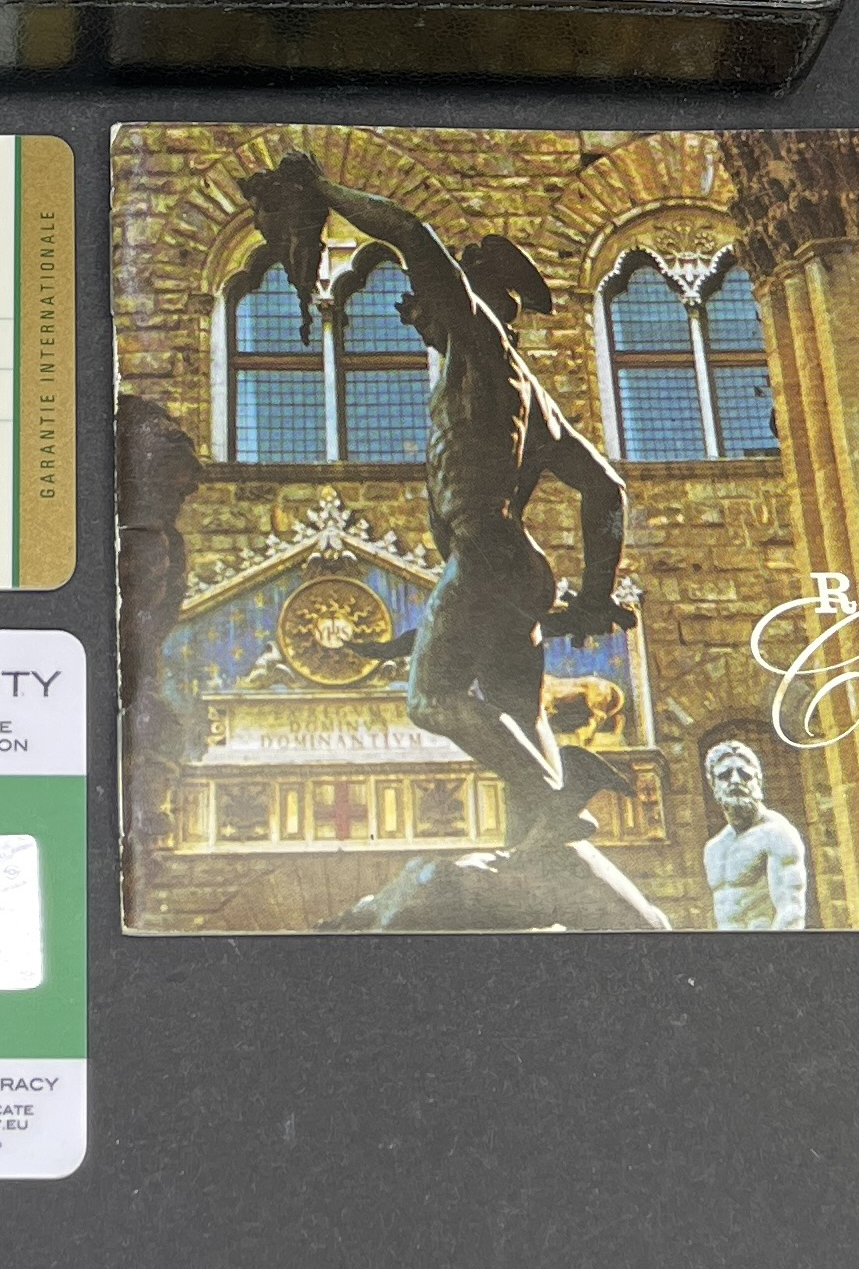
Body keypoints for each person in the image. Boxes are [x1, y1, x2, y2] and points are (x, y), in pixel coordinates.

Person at [266, 153, 634, 852]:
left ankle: (559, 794)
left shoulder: (481, 345)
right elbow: (605, 490)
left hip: (487, 555)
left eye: (424, 302)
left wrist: (320, 188)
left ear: (467, 299)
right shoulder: (535, 399)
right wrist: (593, 595)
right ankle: (545, 845)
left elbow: (409, 231)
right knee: (517, 714)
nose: (415, 315)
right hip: (513, 567)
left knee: (431, 701)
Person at [702, 739, 810, 929]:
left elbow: (791, 912)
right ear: (714, 785)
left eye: (745, 774)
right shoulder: (714, 848)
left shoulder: (777, 834)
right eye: (725, 775)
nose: (736, 780)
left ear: (758, 781)